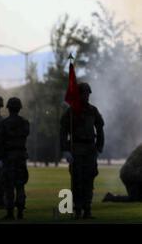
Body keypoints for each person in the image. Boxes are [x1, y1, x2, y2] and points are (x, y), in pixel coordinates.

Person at [60, 82, 105, 219]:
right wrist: (66, 150)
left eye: (88, 93)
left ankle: (87, 209)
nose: (87, 96)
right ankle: (78, 209)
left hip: (90, 149)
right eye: (84, 93)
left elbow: (100, 130)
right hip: (77, 149)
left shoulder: (93, 110)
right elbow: (63, 132)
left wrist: (99, 147)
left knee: (89, 180)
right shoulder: (71, 112)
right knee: (77, 180)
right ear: (78, 95)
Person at [0, 97, 30, 220]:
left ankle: (10, 213)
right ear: (19, 108)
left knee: (9, 186)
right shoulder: (25, 123)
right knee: (20, 185)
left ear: (8, 108)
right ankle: (20, 211)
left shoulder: (3, 124)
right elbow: (25, 134)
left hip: (8, 157)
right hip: (20, 157)